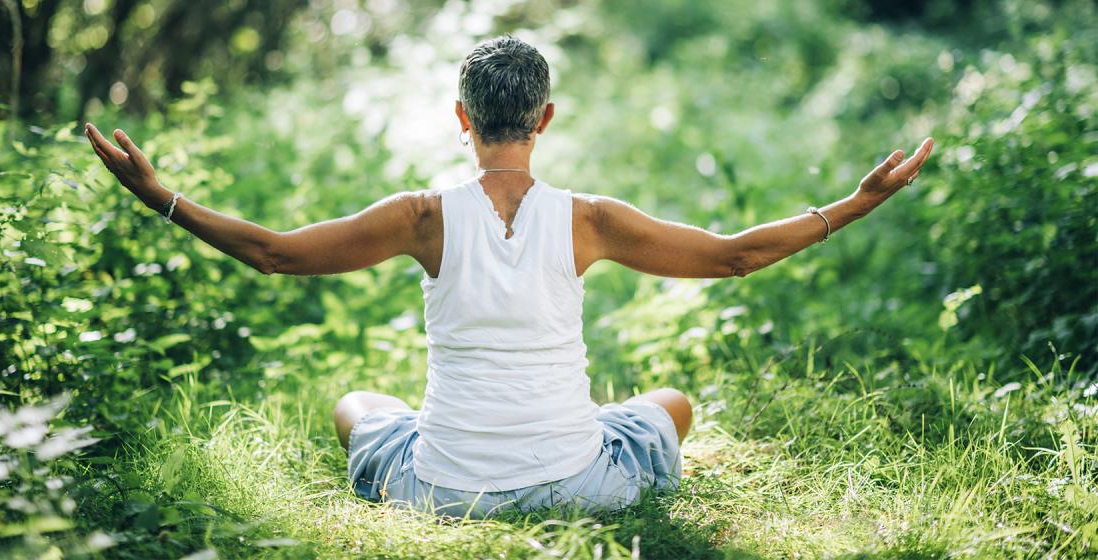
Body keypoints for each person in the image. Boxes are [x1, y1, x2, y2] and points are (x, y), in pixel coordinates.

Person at [85, 35, 933, 518]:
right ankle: (576, 432)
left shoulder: (420, 216)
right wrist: (853, 204)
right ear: (546, 119)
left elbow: (275, 252)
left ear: (462, 119)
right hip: (580, 484)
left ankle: (509, 437)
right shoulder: (589, 219)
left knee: (356, 406)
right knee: (671, 404)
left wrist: (163, 199)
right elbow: (732, 255)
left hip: (442, 488)